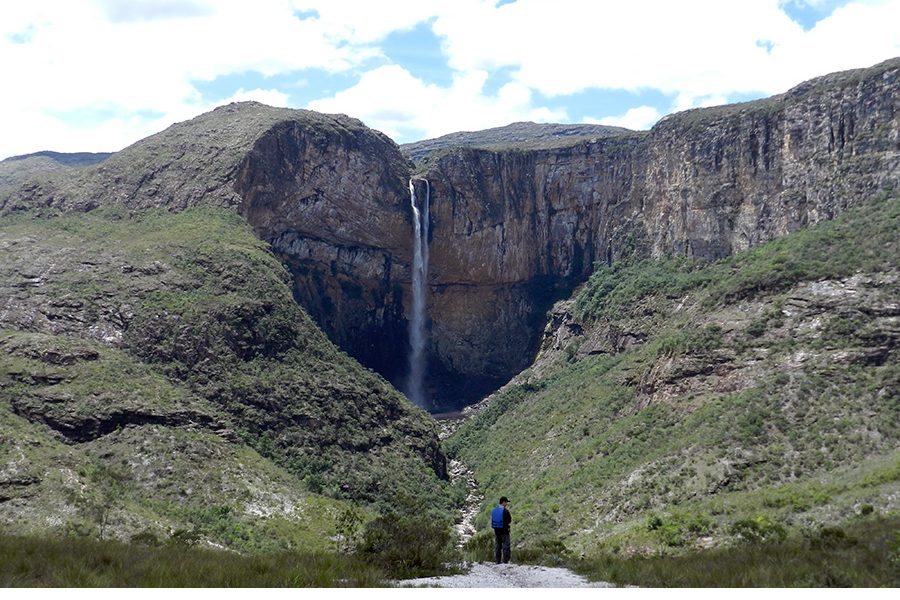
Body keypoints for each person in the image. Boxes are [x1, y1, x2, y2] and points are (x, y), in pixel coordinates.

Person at [491, 496, 512, 564]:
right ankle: (505, 560)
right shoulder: (505, 511)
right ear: (503, 502)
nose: (506, 504)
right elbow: (509, 520)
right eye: (506, 502)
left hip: (497, 530)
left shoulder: (494, 510)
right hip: (504, 531)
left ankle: (498, 560)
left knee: (498, 545)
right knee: (506, 545)